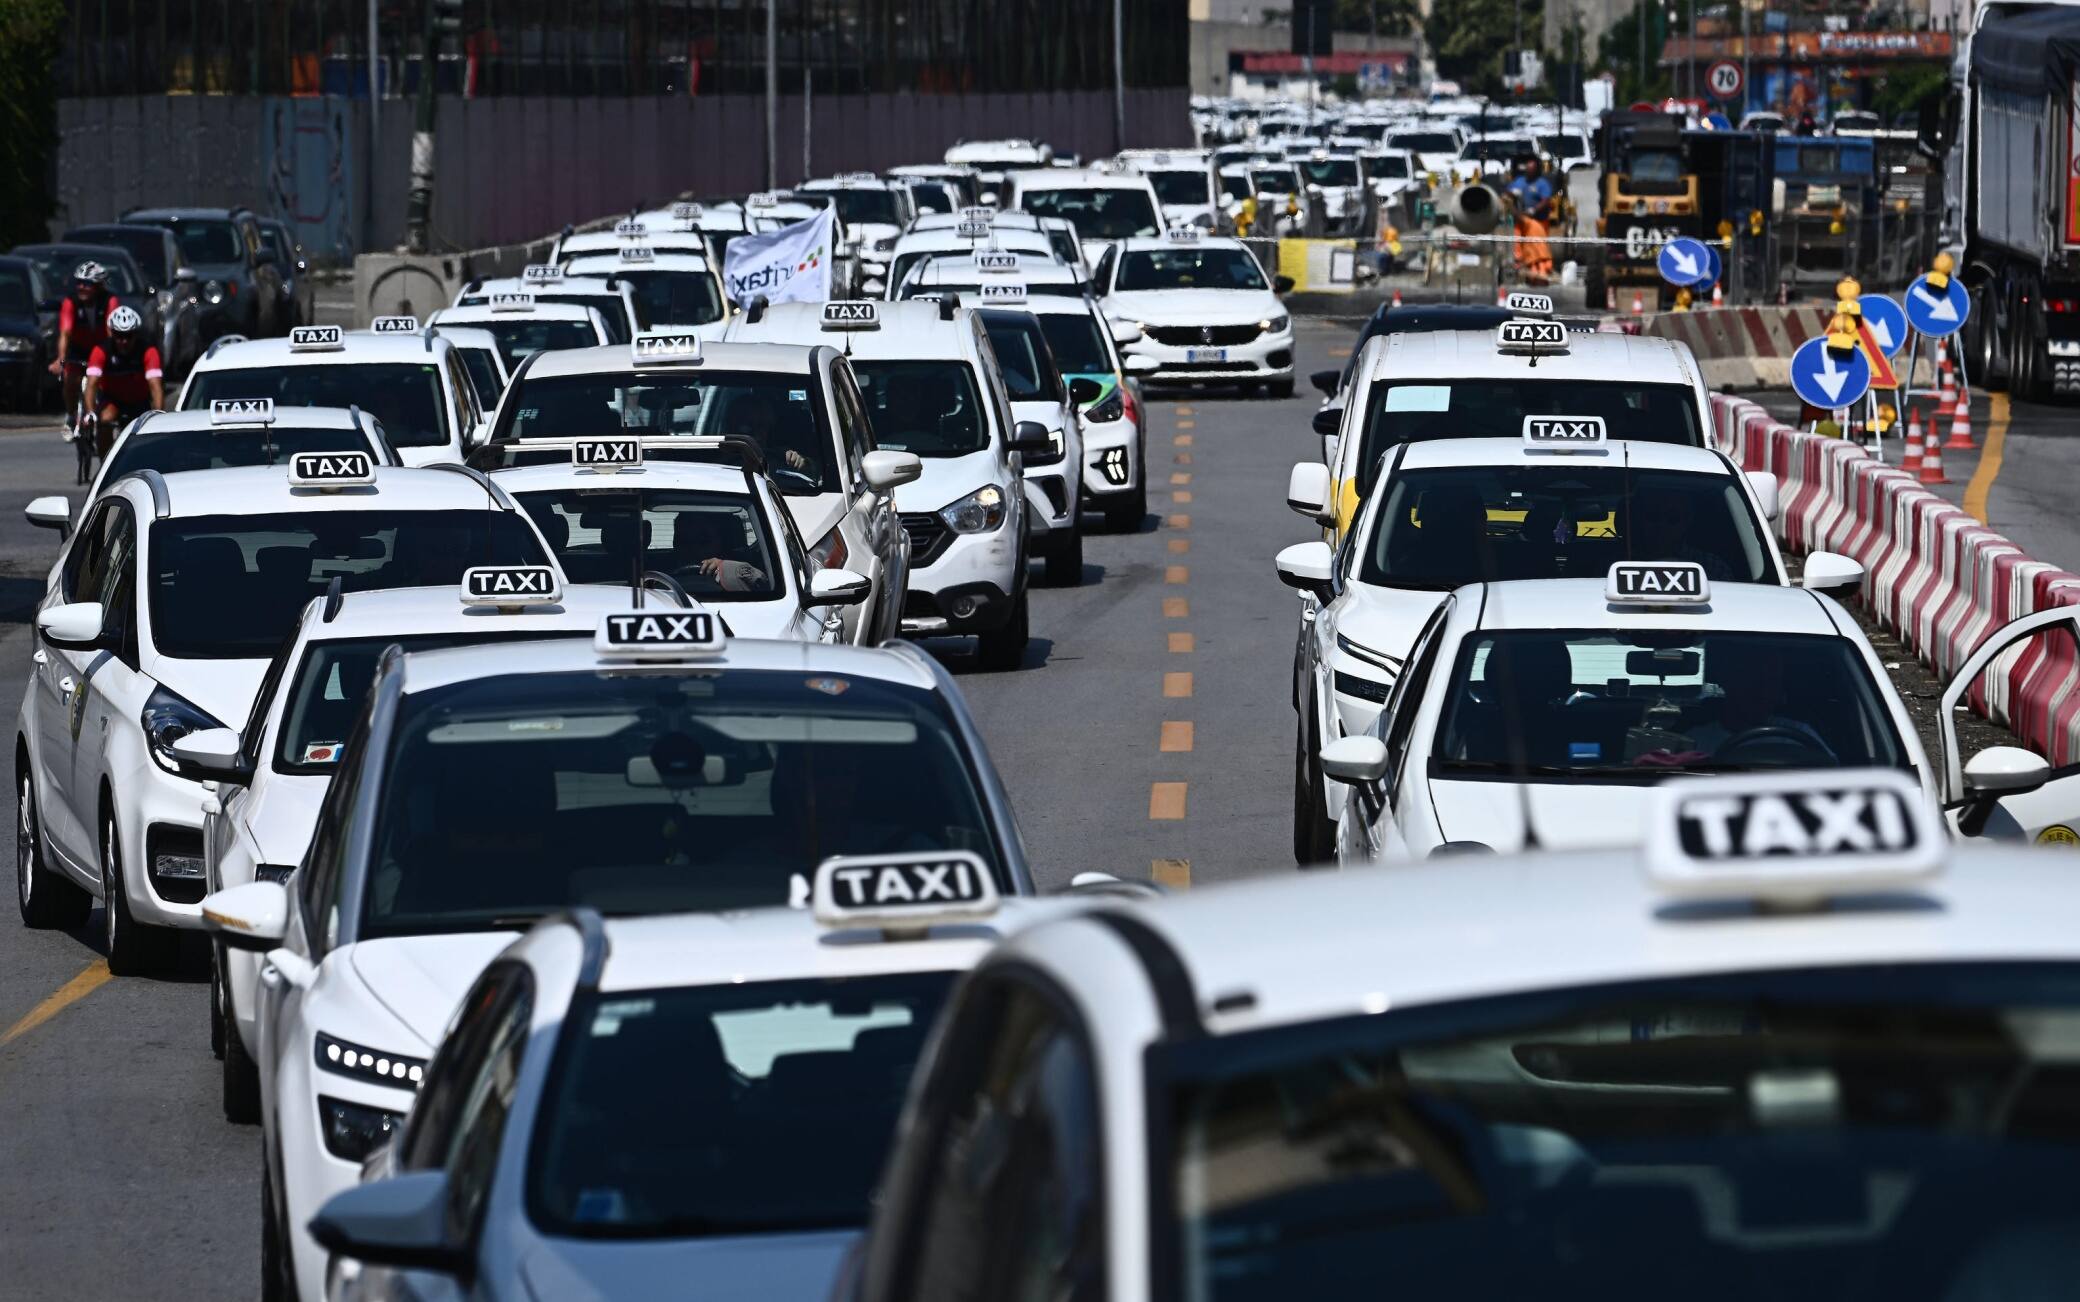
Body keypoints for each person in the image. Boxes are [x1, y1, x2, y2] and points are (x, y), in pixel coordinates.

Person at [81, 306, 165, 458]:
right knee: (105, 420)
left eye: (128, 336)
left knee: (148, 429)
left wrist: (159, 415)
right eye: (119, 336)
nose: (123, 341)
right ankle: (105, 461)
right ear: (112, 333)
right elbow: (91, 384)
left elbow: (155, 386)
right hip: (112, 399)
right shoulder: (101, 351)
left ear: (136, 334)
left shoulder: (148, 351)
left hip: (139, 400)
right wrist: (90, 413)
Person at [51, 262, 118, 434]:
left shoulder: (110, 301)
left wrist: (112, 355)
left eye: (87, 284)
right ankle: (71, 415)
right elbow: (65, 333)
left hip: (101, 349)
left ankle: (101, 415)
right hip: (78, 349)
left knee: (104, 383)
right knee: (70, 380)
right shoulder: (70, 302)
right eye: (79, 283)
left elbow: (111, 332)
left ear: (98, 286)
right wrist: (61, 359)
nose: (81, 287)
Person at [1507, 157, 1555, 284]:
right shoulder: (1520, 181)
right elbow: (1508, 195)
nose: (1528, 171)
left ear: (1537, 171)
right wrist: (1511, 194)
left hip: (1538, 222)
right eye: (1527, 169)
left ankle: (1539, 270)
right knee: (1519, 244)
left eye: (1531, 169)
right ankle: (1520, 267)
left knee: (1536, 246)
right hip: (1522, 221)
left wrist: (1533, 210)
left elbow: (1546, 200)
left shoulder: (1542, 184)